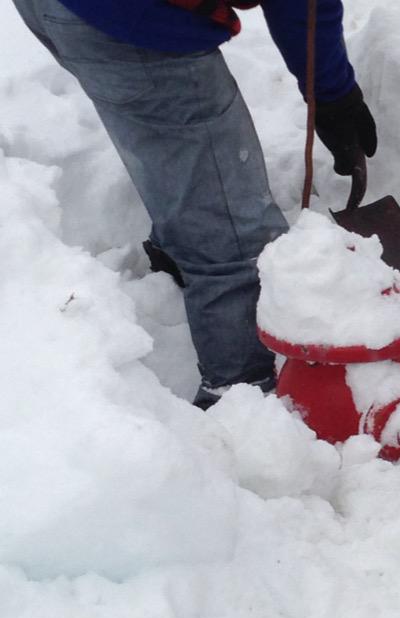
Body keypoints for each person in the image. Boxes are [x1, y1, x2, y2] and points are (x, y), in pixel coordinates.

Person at [12, 0, 377, 409]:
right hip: (129, 15)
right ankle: (243, 395)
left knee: (167, 135)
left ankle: (180, 246)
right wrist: (332, 94)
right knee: (237, 244)